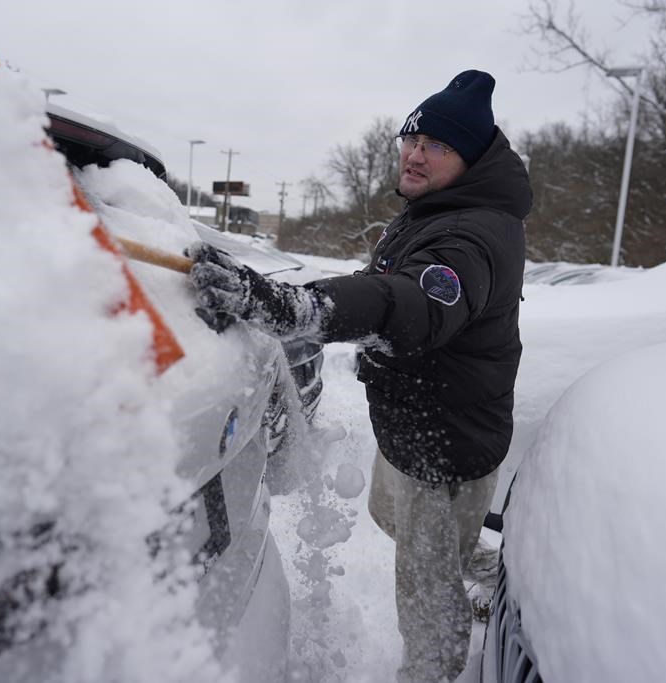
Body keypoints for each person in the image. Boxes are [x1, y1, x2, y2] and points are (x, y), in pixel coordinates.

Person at [187, 70, 531, 683]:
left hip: (445, 442)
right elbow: (390, 278)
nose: (415, 154)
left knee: (426, 606)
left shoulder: (473, 235)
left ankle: (432, 668)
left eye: (438, 146)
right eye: (412, 139)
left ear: (470, 158)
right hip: (415, 425)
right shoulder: (437, 211)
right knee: (386, 512)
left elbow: (411, 303)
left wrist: (293, 306)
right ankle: (459, 554)